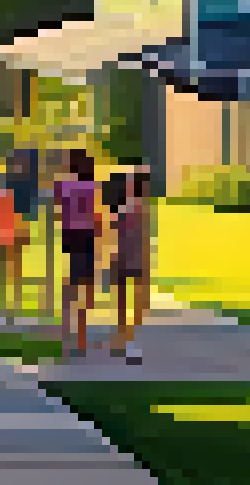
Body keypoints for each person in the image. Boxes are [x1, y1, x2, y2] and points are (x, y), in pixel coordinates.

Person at [55, 147, 105, 358]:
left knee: (75, 282)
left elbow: (59, 211)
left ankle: (69, 324)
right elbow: (95, 215)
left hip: (70, 236)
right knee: (86, 285)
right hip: (86, 235)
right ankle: (81, 338)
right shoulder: (92, 187)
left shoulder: (63, 185)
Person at [108, 169, 151, 364]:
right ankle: (127, 341)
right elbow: (141, 239)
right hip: (128, 259)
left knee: (129, 302)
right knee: (130, 303)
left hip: (126, 258)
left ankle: (125, 339)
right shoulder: (134, 209)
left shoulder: (126, 208)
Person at [0, 161, 27, 314]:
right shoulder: (11, 193)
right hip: (7, 231)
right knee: (10, 262)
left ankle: (4, 293)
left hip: (3, 231)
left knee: (4, 263)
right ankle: (10, 294)